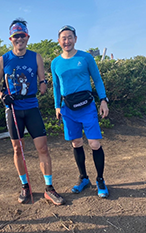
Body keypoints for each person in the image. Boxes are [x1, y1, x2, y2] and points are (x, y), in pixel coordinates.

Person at [0, 18, 65, 205]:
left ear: (27, 37)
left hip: (31, 106)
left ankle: (49, 188)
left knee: (43, 147)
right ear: (11, 38)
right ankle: (25, 186)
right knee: (18, 148)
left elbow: (43, 79)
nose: (19, 39)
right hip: (13, 108)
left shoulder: (36, 57)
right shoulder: (3, 59)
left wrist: (43, 84)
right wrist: (2, 95)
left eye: (22, 35)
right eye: (16, 36)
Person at [51, 25, 110, 198]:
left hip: (87, 106)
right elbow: (55, 86)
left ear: (75, 39)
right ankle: (84, 178)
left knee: (94, 144)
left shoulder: (85, 58)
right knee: (76, 143)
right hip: (67, 108)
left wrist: (103, 100)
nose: (66, 41)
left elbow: (97, 80)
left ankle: (100, 179)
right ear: (59, 41)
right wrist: (57, 106)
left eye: (70, 37)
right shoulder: (55, 62)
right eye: (63, 38)